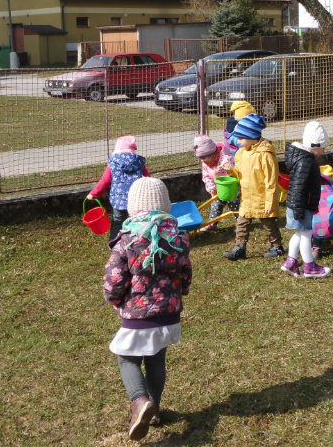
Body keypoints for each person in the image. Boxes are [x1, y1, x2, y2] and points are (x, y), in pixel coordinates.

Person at [103, 177, 192, 441]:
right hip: (169, 314)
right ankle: (153, 412)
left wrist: (113, 298)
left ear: (132, 207)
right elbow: (186, 273)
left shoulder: (128, 240)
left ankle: (139, 401)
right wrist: (180, 293)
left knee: (127, 358)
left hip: (139, 316)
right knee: (156, 359)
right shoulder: (179, 237)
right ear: (166, 205)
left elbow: (115, 278)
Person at [222, 113, 285, 261]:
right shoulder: (241, 153)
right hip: (247, 197)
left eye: (240, 138)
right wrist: (231, 171)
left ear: (251, 136)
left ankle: (277, 246)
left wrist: (270, 202)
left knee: (268, 224)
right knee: (241, 223)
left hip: (262, 198)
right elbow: (240, 174)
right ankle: (239, 248)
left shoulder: (265, 154)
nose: (237, 141)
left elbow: (271, 180)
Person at [280, 120, 332, 279]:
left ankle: (290, 262)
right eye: (323, 147)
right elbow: (299, 187)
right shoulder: (306, 162)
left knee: (299, 233)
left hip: (299, 205)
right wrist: (299, 210)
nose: (324, 151)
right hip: (301, 206)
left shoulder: (304, 159)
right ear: (315, 145)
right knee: (306, 235)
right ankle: (310, 267)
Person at [87, 136, 150, 242]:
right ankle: (138, 242)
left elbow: (105, 181)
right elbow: (148, 178)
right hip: (136, 199)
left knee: (118, 221)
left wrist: (94, 194)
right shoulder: (138, 162)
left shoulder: (113, 162)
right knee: (136, 221)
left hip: (118, 200)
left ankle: (114, 242)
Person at [193, 134, 238, 232]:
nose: (203, 160)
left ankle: (241, 224)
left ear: (212, 154)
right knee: (215, 205)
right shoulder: (206, 163)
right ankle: (212, 223)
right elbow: (206, 177)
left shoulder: (225, 158)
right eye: (201, 158)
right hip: (219, 189)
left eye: (204, 158)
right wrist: (212, 189)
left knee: (234, 205)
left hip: (231, 188)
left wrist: (229, 169)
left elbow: (235, 171)